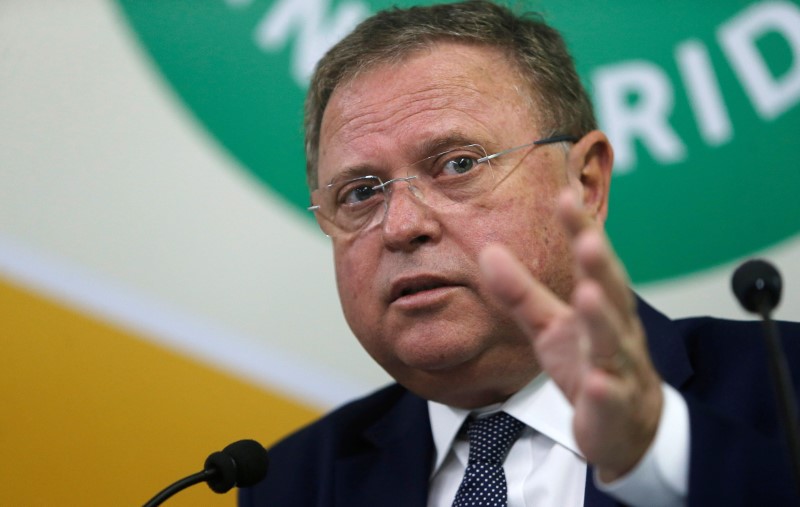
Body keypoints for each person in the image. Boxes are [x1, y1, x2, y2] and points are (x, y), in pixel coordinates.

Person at [240, 1, 800, 505]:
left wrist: (659, 449)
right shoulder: (293, 483)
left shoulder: (784, 388)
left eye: (459, 164)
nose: (402, 226)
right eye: (360, 193)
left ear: (584, 184)